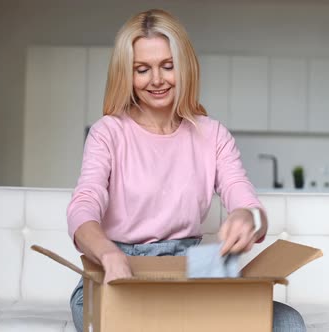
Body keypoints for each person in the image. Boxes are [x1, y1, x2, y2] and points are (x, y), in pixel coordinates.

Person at [66, 8, 307, 332]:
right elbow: (82, 208)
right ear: (127, 73)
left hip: (189, 272)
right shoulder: (108, 133)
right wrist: (109, 255)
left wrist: (248, 217)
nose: (157, 80)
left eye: (168, 66)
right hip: (117, 271)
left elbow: (249, 204)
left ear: (185, 67)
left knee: (288, 323)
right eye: (142, 69)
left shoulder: (213, 135)